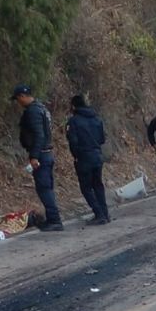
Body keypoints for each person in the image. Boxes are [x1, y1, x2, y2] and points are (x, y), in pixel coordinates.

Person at [12, 84, 63, 231]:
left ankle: (55, 220)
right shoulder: (41, 108)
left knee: (44, 188)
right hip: (46, 153)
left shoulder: (33, 111)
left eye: (18, 99)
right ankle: (53, 219)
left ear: (22, 96)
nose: (18, 103)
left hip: (41, 155)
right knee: (47, 188)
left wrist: (34, 156)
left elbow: (39, 135)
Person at [66, 94, 110, 225]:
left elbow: (73, 142)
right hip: (97, 155)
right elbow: (102, 139)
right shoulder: (97, 118)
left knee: (86, 187)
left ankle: (99, 213)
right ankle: (105, 213)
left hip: (84, 157)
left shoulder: (73, 121)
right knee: (98, 185)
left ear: (73, 106)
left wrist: (77, 155)